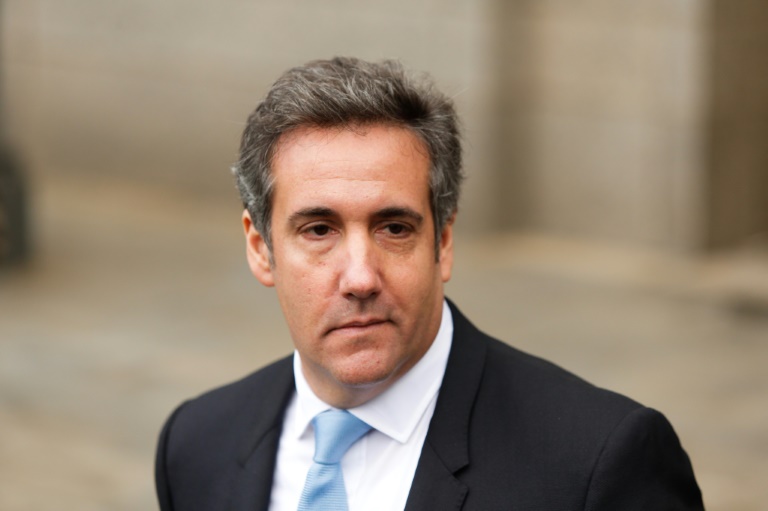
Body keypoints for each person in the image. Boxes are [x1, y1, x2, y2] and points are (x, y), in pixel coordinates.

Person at [155, 57, 704, 511]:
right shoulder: (195, 444)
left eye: (394, 228)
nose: (361, 277)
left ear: (442, 241)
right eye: (319, 230)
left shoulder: (598, 462)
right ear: (261, 248)